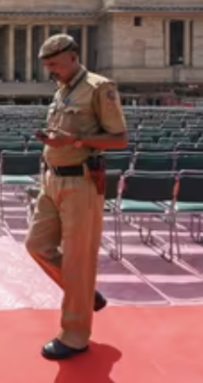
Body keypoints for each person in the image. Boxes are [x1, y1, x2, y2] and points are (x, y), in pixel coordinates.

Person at [26, 33, 128, 360]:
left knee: (78, 261)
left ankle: (74, 336)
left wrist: (77, 141)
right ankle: (84, 295)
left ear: (72, 56)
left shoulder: (99, 88)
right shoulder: (62, 90)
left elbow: (120, 139)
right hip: (51, 182)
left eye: (54, 64)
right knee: (36, 246)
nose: (50, 71)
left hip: (81, 183)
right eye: (47, 66)